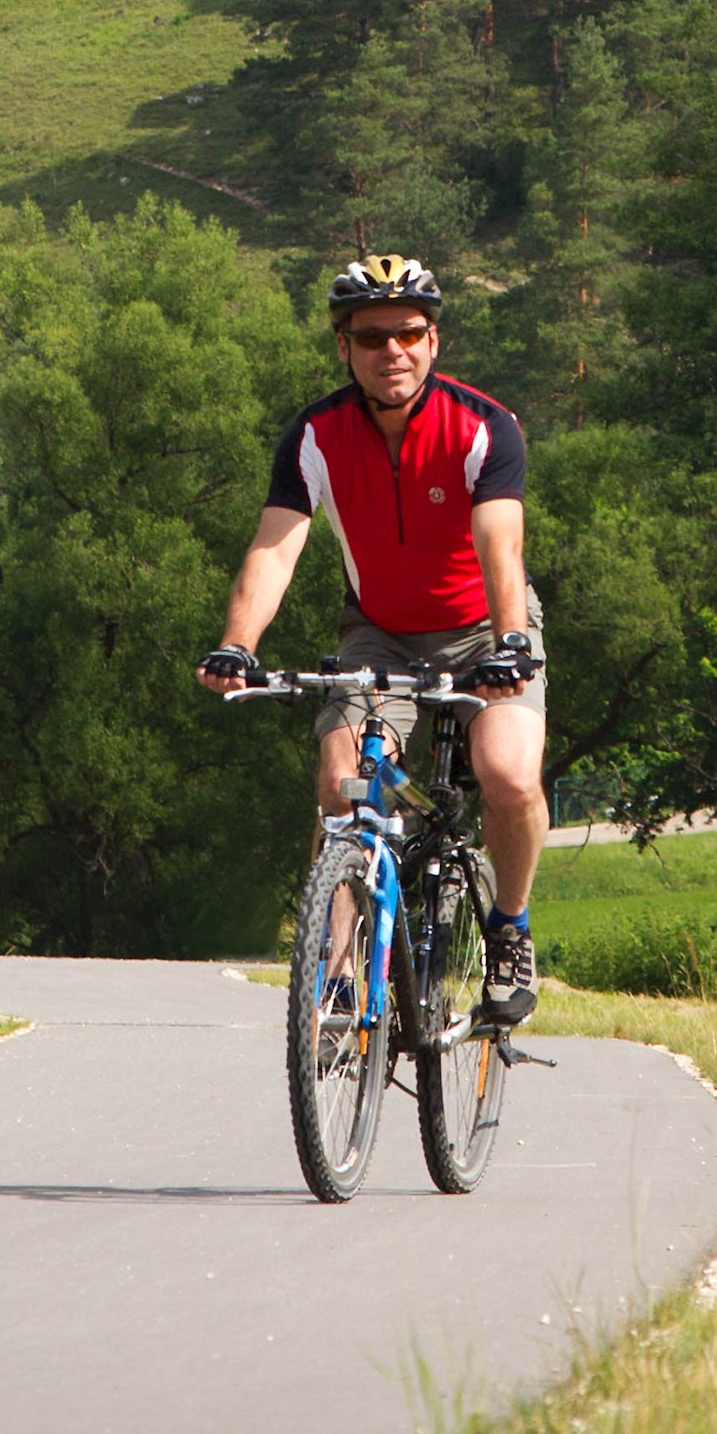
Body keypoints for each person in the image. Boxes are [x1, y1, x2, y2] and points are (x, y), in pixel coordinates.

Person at [197, 253, 549, 1027]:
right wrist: (237, 642)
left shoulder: (483, 426)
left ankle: (509, 928)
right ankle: (342, 979)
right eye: (372, 336)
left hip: (485, 627)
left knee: (509, 775)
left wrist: (512, 641)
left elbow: (502, 548)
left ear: (434, 340)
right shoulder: (316, 435)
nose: (393, 350)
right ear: (344, 347)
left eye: (410, 333)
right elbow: (276, 546)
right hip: (379, 633)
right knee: (341, 782)